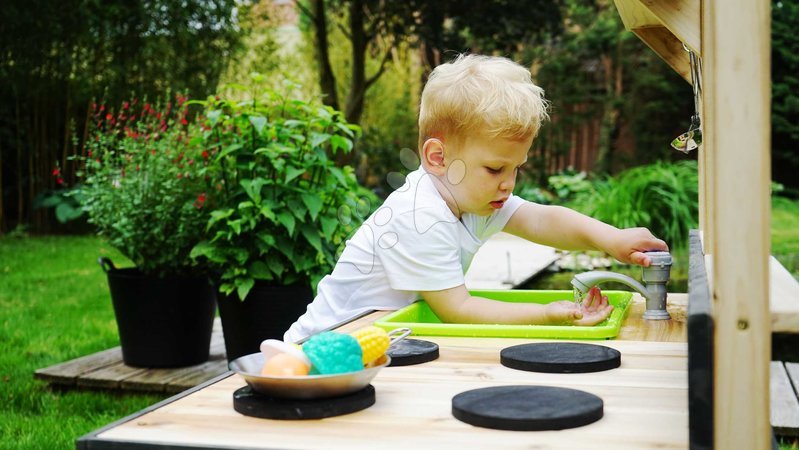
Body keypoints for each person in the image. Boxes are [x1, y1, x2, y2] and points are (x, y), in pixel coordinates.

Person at [284, 54, 668, 343]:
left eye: (516, 168)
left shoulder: (472, 198)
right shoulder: (420, 214)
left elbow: (541, 219)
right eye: (495, 169)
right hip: (318, 350)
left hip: (378, 342)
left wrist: (611, 239)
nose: (509, 184)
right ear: (438, 158)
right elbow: (459, 309)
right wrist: (547, 314)